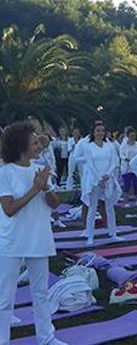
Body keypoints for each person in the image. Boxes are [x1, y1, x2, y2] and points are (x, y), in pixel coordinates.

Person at [0, 122, 66, 345]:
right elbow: (9, 209)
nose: (40, 145)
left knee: (41, 293)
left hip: (38, 237)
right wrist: (35, 188)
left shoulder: (39, 170)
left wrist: (45, 187)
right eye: (35, 142)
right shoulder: (5, 173)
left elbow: (55, 205)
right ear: (21, 146)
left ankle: (47, 338)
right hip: (12, 241)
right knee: (5, 298)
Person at [81, 121, 122, 246]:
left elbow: (114, 162)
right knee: (93, 208)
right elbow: (90, 164)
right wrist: (99, 179)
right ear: (93, 132)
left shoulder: (109, 146)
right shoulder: (88, 147)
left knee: (109, 207)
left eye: (102, 131)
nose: (100, 133)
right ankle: (90, 235)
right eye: (98, 130)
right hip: (94, 180)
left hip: (107, 179)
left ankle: (113, 233)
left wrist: (107, 176)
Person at [119, 127, 137, 201]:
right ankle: (126, 196)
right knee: (127, 183)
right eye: (131, 136)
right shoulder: (124, 145)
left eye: (134, 136)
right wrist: (126, 159)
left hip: (136, 167)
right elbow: (121, 154)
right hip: (127, 167)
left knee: (136, 183)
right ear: (128, 136)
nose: (133, 137)